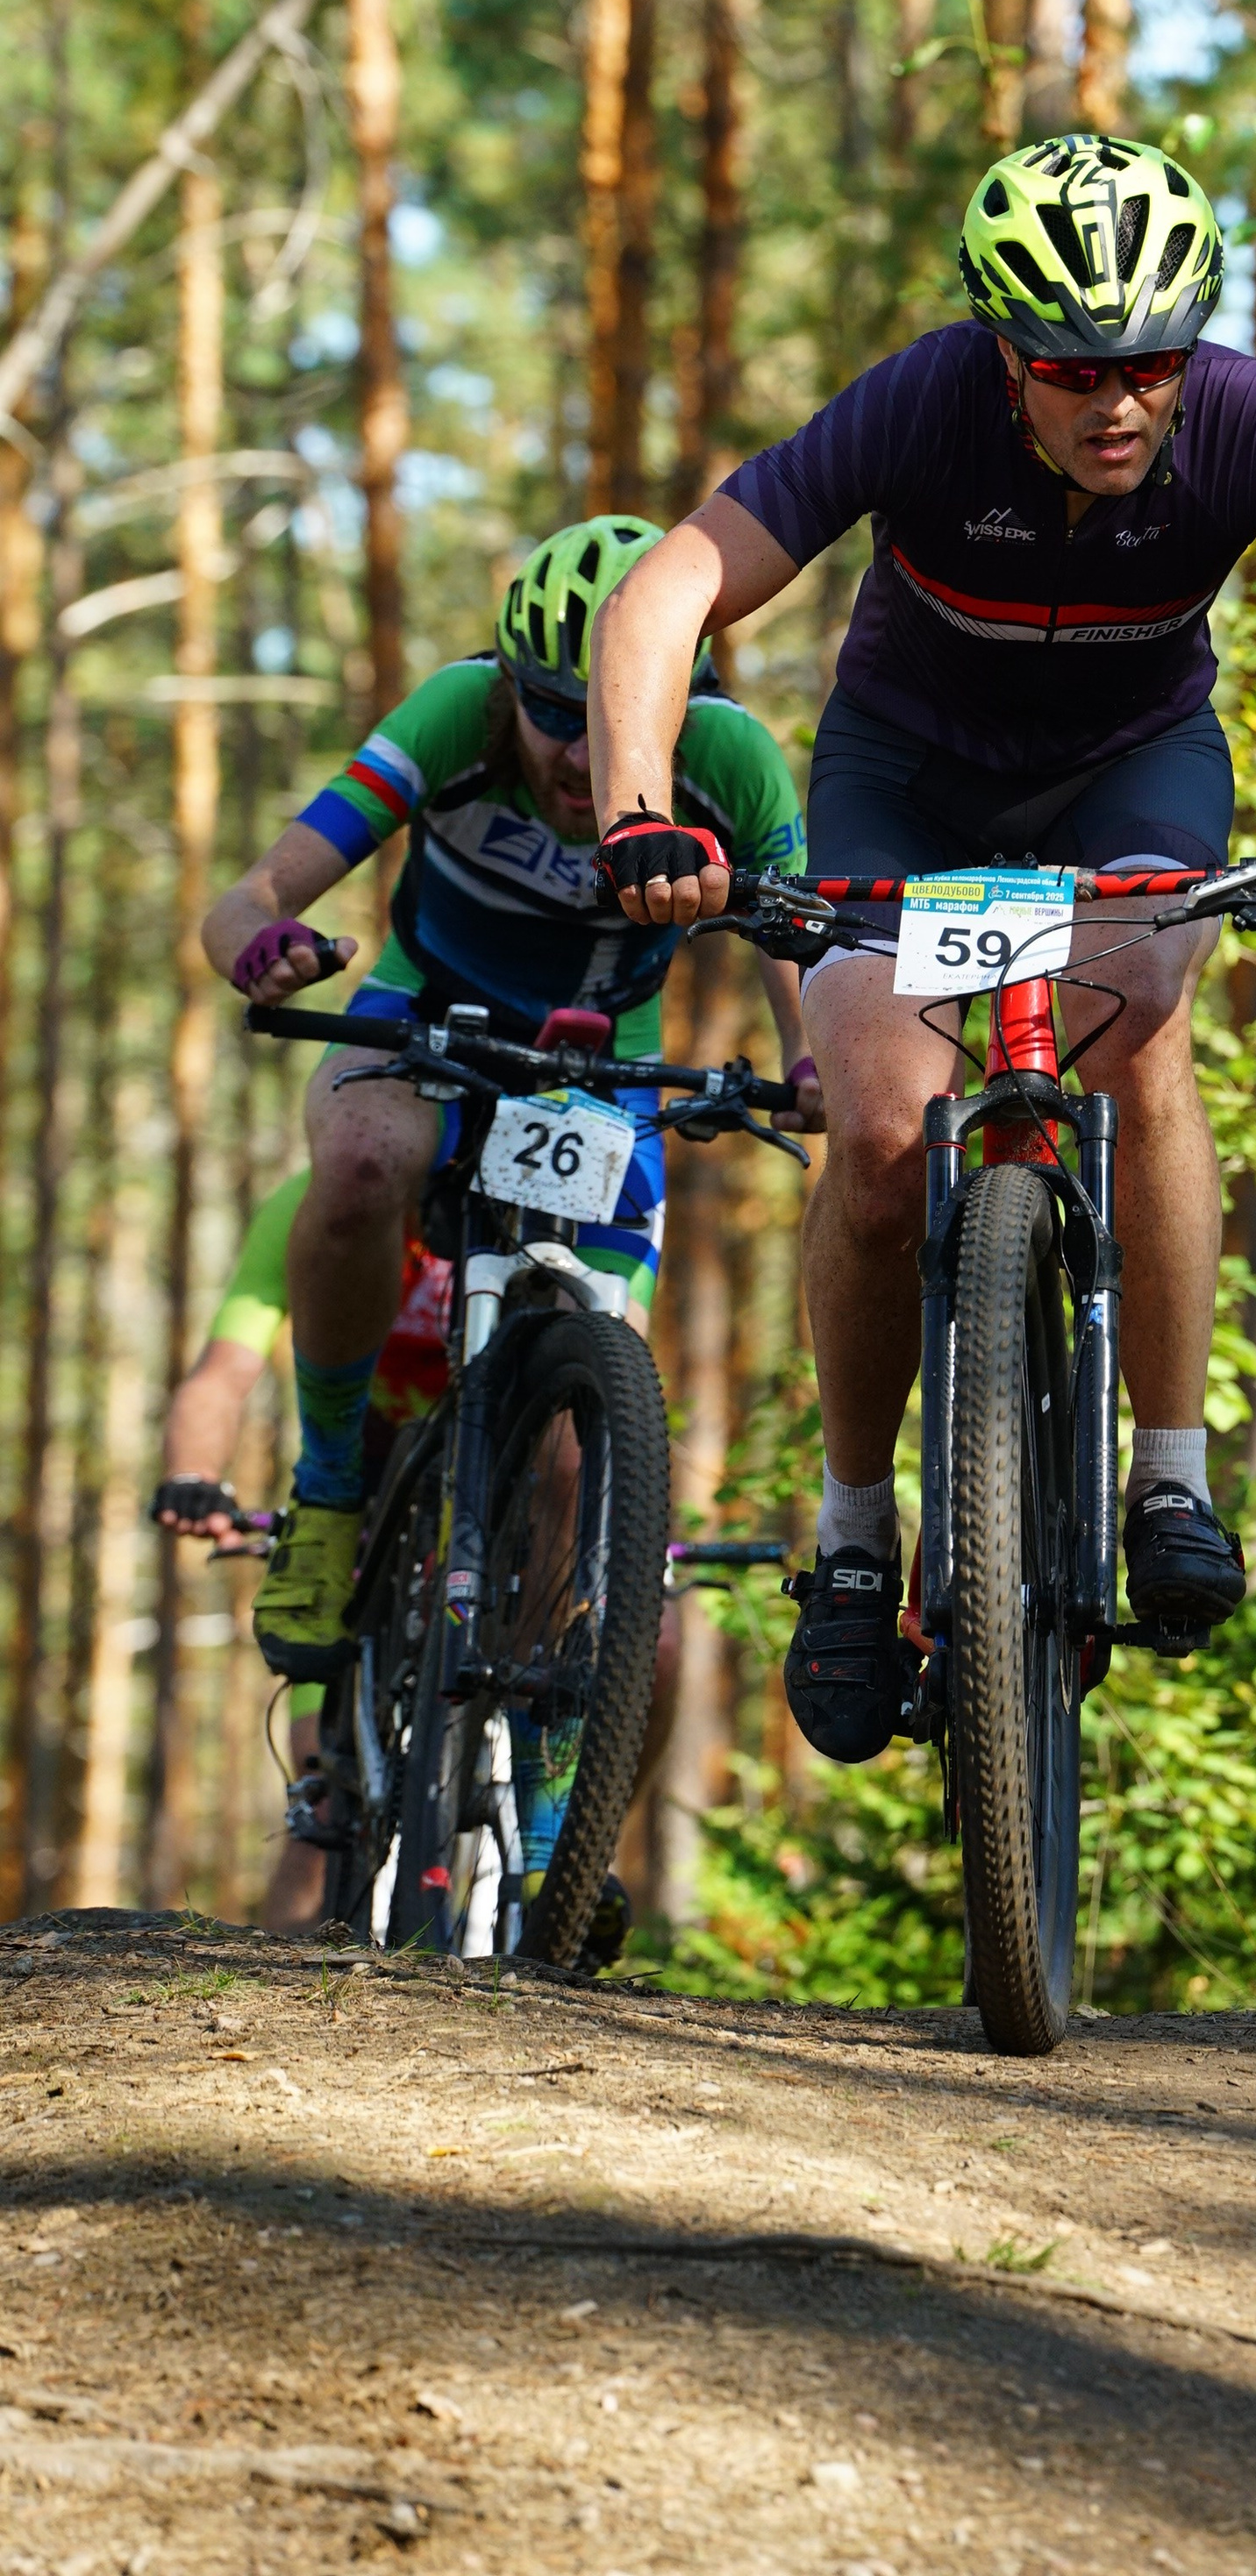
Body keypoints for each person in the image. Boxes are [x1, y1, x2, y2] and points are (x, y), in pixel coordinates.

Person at [587, 132, 1256, 1765]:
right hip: (903, 778)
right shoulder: (919, 405)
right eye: (1071, 371)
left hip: (1135, 764)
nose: (1118, 405)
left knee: (1138, 1032)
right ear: (1004, 353)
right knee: (887, 1125)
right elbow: (668, 588)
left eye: (1150, 365)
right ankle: (853, 1534)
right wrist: (641, 810)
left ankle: (1171, 1475)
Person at [199, 513, 820, 1688]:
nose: (581, 758)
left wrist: (811, 1059)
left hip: (598, 1069)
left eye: (610, 717)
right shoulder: (453, 714)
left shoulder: (730, 757)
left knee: (586, 1457)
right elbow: (249, 895)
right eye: (551, 712)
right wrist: (264, 944)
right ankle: (329, 1497)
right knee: (358, 1166)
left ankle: (548, 1825)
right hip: (423, 1020)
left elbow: (801, 944)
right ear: (507, 688)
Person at [152, 1168, 453, 1928]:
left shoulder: (534, 1199)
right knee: (322, 1791)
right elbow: (223, 1372)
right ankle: (281, 1993)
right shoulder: (313, 1202)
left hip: (486, 1508)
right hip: (357, 1510)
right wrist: (193, 1475)